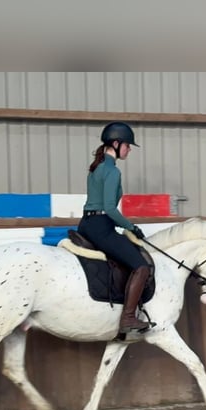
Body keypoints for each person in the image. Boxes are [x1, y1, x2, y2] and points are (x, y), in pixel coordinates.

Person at [78, 121, 151, 334]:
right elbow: (110, 208)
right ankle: (128, 318)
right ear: (117, 144)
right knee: (141, 266)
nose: (129, 150)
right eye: (128, 145)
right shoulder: (112, 171)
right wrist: (131, 227)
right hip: (101, 227)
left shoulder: (96, 167)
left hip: (86, 224)